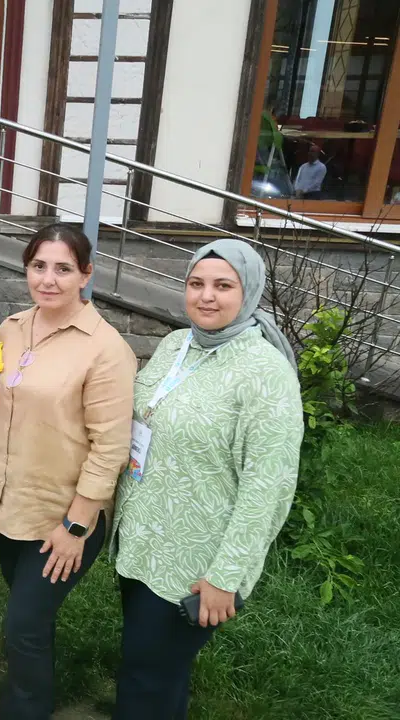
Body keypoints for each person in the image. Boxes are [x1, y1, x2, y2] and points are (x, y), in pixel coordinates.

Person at [111, 239, 302, 720]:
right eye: (196, 283)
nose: (206, 296)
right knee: (158, 673)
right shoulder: (177, 344)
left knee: (145, 679)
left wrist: (224, 577)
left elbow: (268, 487)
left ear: (249, 292)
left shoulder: (265, 373)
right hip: (141, 543)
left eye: (223, 286)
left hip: (195, 562)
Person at [0, 224, 137, 719]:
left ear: (85, 275)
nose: (48, 279)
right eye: (38, 266)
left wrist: (76, 525)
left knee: (23, 627)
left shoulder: (106, 348)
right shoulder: (11, 329)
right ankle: (31, 696)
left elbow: (110, 447)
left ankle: (25, 710)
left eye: (63, 269)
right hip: (9, 508)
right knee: (31, 619)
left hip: (63, 517)